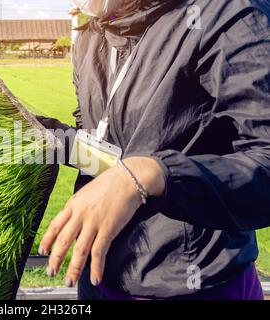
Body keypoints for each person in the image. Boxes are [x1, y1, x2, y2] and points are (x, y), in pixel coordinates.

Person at [37, 0, 270, 300]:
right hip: (99, 275)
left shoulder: (226, 14)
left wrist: (152, 173)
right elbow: (105, 150)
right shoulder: (92, 33)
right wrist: (42, 138)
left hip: (193, 285)